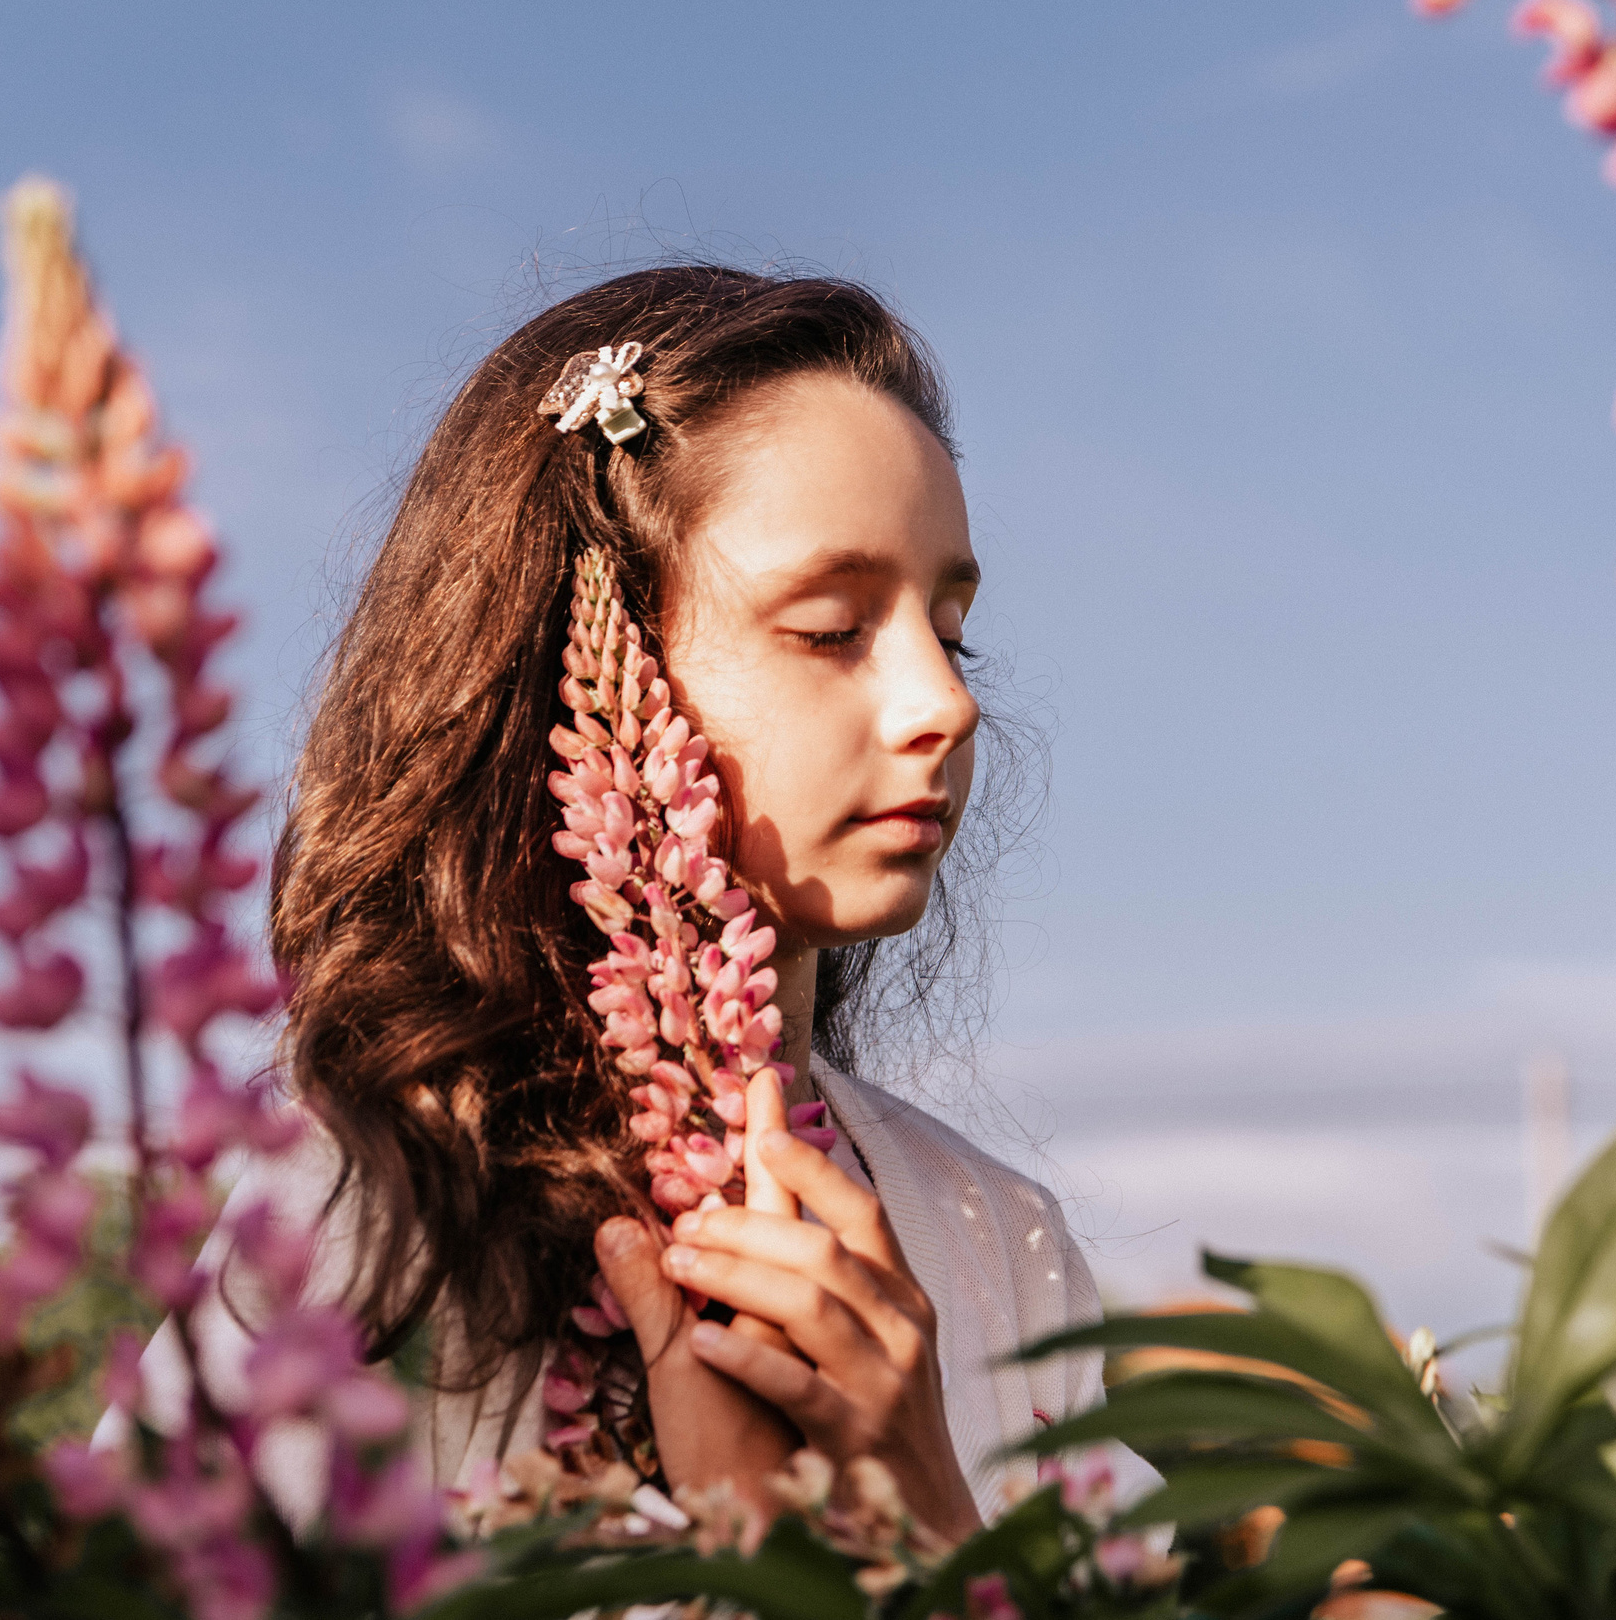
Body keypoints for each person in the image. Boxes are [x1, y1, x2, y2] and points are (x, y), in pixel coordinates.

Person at [115, 265, 1144, 1534]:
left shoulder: (997, 1238)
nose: (947, 700)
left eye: (952, 629)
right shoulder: (379, 1209)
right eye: (833, 627)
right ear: (590, 662)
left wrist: (928, 1529)